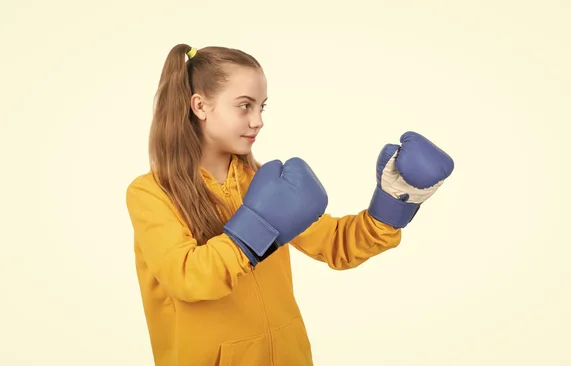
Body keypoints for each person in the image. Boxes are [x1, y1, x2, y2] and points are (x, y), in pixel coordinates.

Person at [125, 43, 454, 366]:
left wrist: (395, 202)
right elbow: (187, 277)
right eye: (244, 106)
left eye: (262, 107)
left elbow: (336, 244)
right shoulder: (152, 193)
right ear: (200, 106)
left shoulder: (262, 184)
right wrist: (255, 228)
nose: (258, 121)